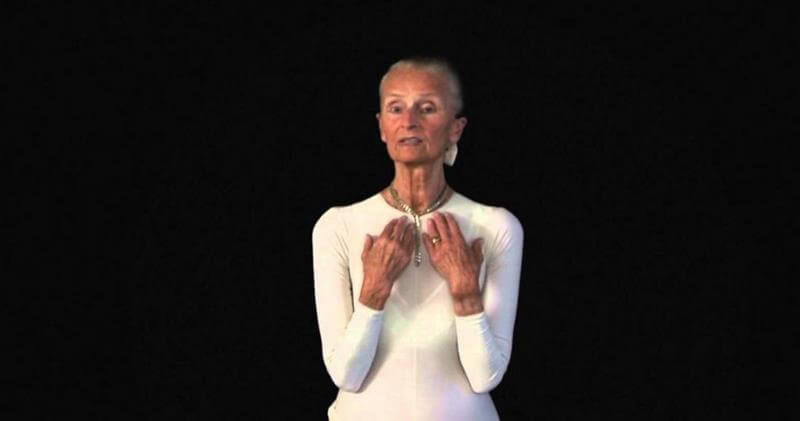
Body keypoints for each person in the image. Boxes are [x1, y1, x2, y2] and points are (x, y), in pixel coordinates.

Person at [312, 57, 524, 421]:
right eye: (396, 108)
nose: (409, 121)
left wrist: (465, 292)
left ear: (455, 128)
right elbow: (345, 375)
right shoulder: (338, 225)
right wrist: (374, 291)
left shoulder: (496, 226)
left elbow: (485, 376)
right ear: (381, 126)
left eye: (427, 108)